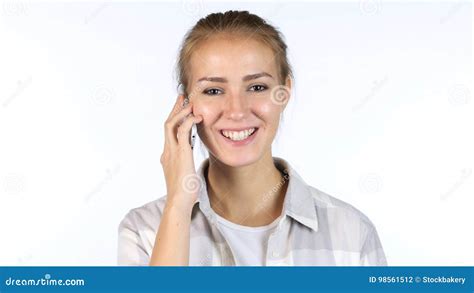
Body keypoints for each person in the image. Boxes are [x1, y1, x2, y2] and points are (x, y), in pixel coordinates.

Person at [118, 10, 387, 266]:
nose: (237, 111)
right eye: (213, 90)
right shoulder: (144, 230)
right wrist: (178, 204)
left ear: (285, 91)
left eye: (257, 87)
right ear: (185, 104)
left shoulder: (352, 233)